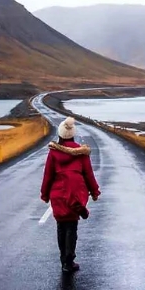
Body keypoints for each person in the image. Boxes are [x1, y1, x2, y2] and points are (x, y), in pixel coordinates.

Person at [40, 117, 100, 273]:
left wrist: (45, 194)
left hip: (58, 197)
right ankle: (69, 260)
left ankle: (64, 260)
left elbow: (48, 176)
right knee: (72, 228)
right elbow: (88, 175)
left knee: (61, 226)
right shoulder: (82, 153)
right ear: (73, 134)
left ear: (60, 134)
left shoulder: (53, 153)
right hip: (75, 196)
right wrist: (94, 192)